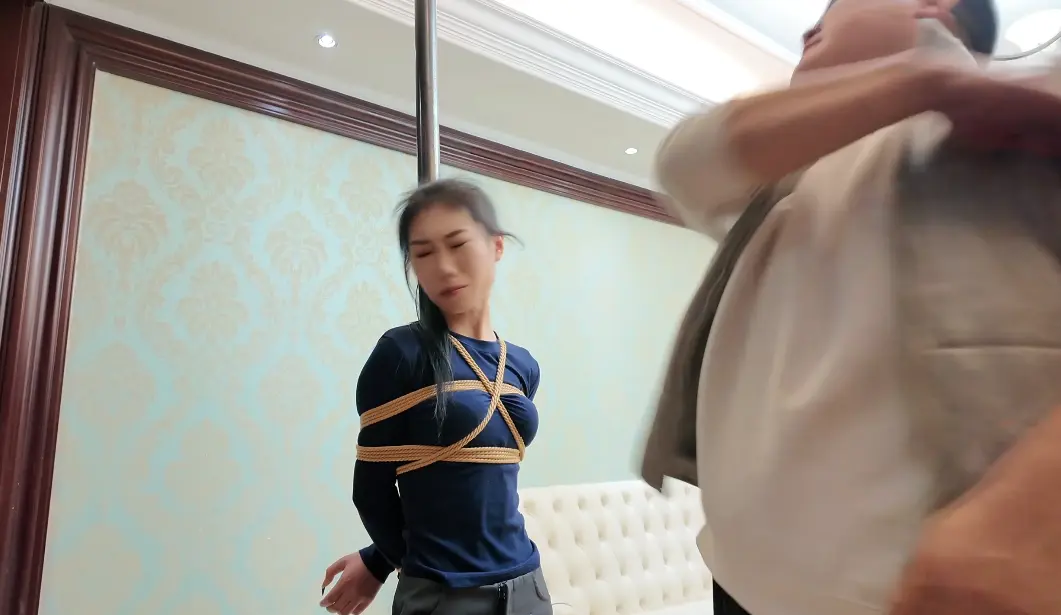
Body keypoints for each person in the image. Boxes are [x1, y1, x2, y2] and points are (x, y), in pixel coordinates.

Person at [644, 1, 1061, 615]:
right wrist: (923, 80)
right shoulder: (790, 173)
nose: (810, 29)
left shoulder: (1029, 111)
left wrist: (1031, 508)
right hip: (738, 587)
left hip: (928, 594)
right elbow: (687, 161)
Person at [320, 178, 551, 615]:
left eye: (458, 244)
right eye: (423, 253)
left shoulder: (521, 365)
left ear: (496, 246)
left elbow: (476, 484)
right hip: (444, 594)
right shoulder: (401, 354)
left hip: (528, 587)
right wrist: (403, 564)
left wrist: (375, 560)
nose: (443, 267)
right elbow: (371, 492)